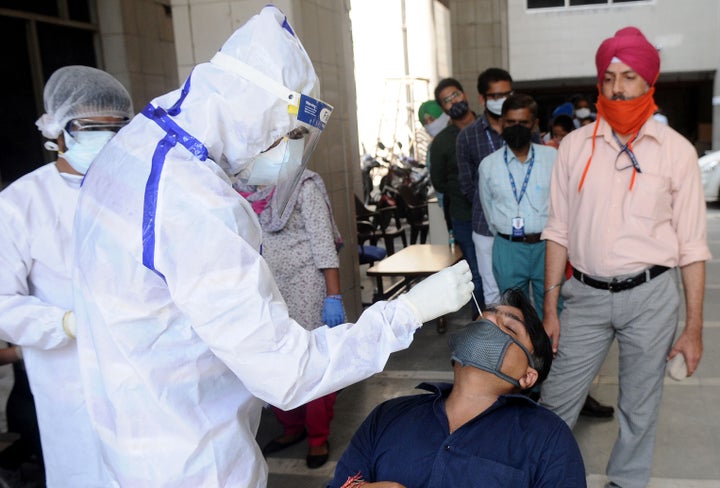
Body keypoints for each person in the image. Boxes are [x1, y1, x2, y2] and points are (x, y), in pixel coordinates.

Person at [69, 6, 474, 487]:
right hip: (194, 460)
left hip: (131, 436)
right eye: (293, 134)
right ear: (255, 111)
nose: (293, 153)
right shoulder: (196, 201)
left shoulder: (136, 145)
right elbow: (286, 372)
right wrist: (406, 313)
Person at [540, 26, 710, 488]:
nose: (617, 87)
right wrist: (551, 308)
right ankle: (545, 478)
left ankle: (625, 482)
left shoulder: (676, 152)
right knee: (556, 401)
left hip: (652, 297)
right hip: (585, 297)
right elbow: (557, 232)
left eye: (629, 76)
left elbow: (692, 247)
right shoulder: (574, 148)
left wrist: (693, 328)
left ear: (648, 83)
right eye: (609, 77)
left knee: (640, 407)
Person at [0, 65, 133, 487]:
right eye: (92, 127)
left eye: (118, 128)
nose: (107, 139)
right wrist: (66, 323)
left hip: (145, 374)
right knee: (86, 474)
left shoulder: (141, 190)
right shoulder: (21, 204)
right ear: (56, 129)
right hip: (69, 383)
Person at [328, 288, 586, 488]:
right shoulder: (388, 416)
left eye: (508, 328)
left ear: (528, 376)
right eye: (481, 320)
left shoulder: (548, 440)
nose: (486, 326)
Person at [237, 170, 345, 469]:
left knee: (312, 363)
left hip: (306, 285)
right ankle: (293, 427)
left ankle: (317, 437)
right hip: (267, 289)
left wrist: (333, 295)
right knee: (279, 360)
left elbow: (323, 243)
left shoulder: (303, 186)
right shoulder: (239, 188)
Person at [479, 93, 556, 317]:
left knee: (552, 307)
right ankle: (521, 353)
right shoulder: (489, 165)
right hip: (508, 247)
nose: (516, 127)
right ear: (502, 123)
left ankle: (551, 352)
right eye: (511, 122)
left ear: (534, 124)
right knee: (512, 312)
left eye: (523, 123)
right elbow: (488, 210)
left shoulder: (552, 157)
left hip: (547, 245)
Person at [457, 68, 513, 308]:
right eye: (495, 95)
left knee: (519, 290)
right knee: (492, 293)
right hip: (484, 226)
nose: (502, 100)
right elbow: (467, 185)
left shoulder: (523, 127)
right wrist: (488, 206)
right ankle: (500, 344)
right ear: (482, 99)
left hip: (520, 227)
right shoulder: (468, 137)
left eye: (507, 94)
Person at [429, 78, 483, 321]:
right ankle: (483, 327)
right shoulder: (441, 142)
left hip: (498, 214)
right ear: (444, 108)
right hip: (464, 216)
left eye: (455, 95)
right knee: (477, 274)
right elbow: (439, 182)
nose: (454, 102)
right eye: (447, 101)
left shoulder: (489, 125)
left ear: (465, 94)